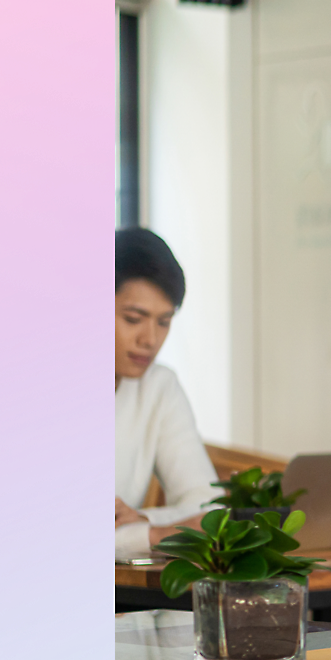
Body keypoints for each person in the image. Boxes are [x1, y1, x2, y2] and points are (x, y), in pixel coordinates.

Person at [114, 228, 219, 560]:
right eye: (133, 319)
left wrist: (145, 520)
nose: (150, 339)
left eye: (164, 322)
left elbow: (208, 505)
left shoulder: (159, 386)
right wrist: (156, 535)